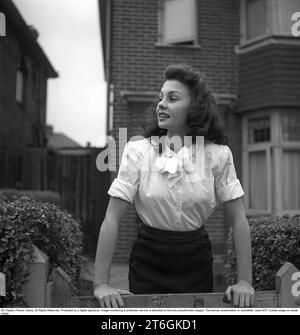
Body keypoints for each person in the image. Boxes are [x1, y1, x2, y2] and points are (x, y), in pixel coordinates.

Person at [94, 64, 255, 308]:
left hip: (196, 261)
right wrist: (100, 284)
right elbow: (111, 218)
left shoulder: (219, 155)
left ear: (195, 106)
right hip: (148, 259)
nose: (161, 104)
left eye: (172, 98)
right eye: (160, 98)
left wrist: (245, 281)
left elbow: (239, 219)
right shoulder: (138, 151)